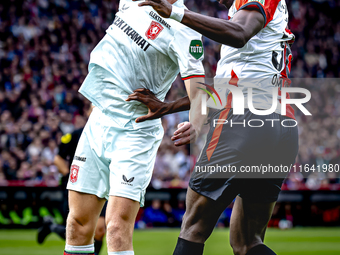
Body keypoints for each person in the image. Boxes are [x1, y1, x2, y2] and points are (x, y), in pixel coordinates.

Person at [130, 0, 299, 255]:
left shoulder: (251, 6)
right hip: (280, 127)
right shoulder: (265, 21)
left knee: (193, 227)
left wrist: (176, 13)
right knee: (247, 242)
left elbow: (239, 34)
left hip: (244, 120)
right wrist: (168, 106)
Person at [64, 0, 207, 255]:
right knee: (77, 224)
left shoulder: (186, 28)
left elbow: (200, 93)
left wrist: (179, 114)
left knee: (117, 229)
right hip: (99, 119)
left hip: (135, 131)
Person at [38, 112, 106, 255]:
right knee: (77, 228)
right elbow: (58, 159)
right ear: (89, 113)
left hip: (102, 185)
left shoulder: (109, 135)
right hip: (79, 186)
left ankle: (51, 227)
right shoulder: (77, 134)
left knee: (99, 229)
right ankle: (51, 227)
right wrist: (72, 177)